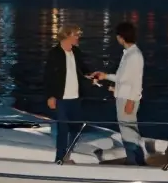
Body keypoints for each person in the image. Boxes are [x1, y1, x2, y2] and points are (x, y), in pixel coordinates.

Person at [91, 22, 146, 166]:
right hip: (122, 96)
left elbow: (136, 81)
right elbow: (123, 77)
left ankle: (134, 160)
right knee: (127, 129)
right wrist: (105, 76)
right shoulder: (128, 54)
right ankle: (134, 159)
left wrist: (131, 100)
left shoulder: (134, 55)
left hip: (128, 99)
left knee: (129, 130)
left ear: (121, 37)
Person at [43, 24, 91, 164]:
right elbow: (48, 77)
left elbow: (83, 69)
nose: (78, 38)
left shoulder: (76, 52)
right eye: (76, 35)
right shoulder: (54, 53)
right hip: (61, 98)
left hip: (76, 97)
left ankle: (70, 153)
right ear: (67, 36)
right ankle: (60, 158)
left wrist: (90, 76)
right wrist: (50, 96)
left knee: (76, 126)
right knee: (62, 129)